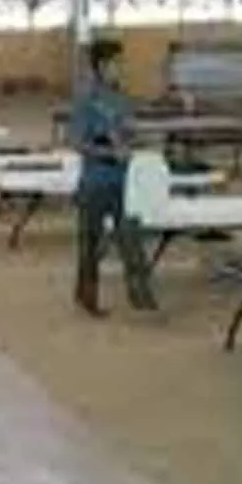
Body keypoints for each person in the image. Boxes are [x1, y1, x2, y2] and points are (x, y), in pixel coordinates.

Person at [69, 38, 158, 316]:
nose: (121, 68)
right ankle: (87, 295)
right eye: (116, 64)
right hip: (95, 182)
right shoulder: (86, 100)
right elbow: (76, 143)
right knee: (91, 243)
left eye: (121, 63)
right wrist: (108, 151)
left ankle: (140, 294)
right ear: (101, 66)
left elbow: (128, 132)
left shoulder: (122, 99)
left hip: (124, 183)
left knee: (130, 237)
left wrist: (137, 142)